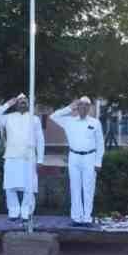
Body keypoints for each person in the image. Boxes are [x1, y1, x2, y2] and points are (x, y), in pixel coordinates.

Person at [49, 97, 104, 227]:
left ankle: (86, 218)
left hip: (90, 157)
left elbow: (100, 144)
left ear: (90, 108)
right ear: (77, 107)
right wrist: (69, 107)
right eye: (81, 105)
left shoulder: (95, 123)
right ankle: (76, 218)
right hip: (74, 157)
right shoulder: (69, 121)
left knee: (88, 188)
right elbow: (53, 116)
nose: (84, 108)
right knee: (75, 187)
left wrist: (98, 162)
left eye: (86, 106)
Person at [0, 93, 45, 222]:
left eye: (25, 100)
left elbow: (40, 140)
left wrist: (40, 159)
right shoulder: (8, 117)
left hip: (29, 157)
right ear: (16, 104)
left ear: (28, 103)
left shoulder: (35, 119)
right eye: (20, 101)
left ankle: (26, 212)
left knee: (29, 186)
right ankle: (13, 212)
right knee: (10, 186)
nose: (22, 102)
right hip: (12, 156)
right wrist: (7, 104)